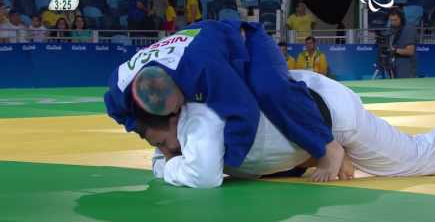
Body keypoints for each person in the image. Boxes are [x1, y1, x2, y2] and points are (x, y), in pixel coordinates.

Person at [146, 69, 435, 188]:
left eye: (163, 142)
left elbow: (202, 176)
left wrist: (327, 147)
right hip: (315, 104)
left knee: (413, 158)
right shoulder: (192, 115)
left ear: (176, 116)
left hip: (330, 112)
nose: (165, 150)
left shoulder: (202, 124)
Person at [104, 20, 339, 180]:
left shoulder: (203, 70)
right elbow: (126, 117)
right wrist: (142, 129)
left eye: (165, 143)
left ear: (177, 111)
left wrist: (225, 164)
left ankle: (328, 146)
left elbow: (244, 114)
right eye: (159, 145)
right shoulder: (119, 88)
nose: (170, 150)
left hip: (247, 42)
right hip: (204, 48)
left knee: (269, 88)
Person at [388, 8, 417, 79]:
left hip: (405, 65)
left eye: (395, 20)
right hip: (394, 63)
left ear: (402, 19)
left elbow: (410, 51)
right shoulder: (392, 29)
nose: (393, 22)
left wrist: (394, 50)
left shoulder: (409, 29)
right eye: (391, 20)